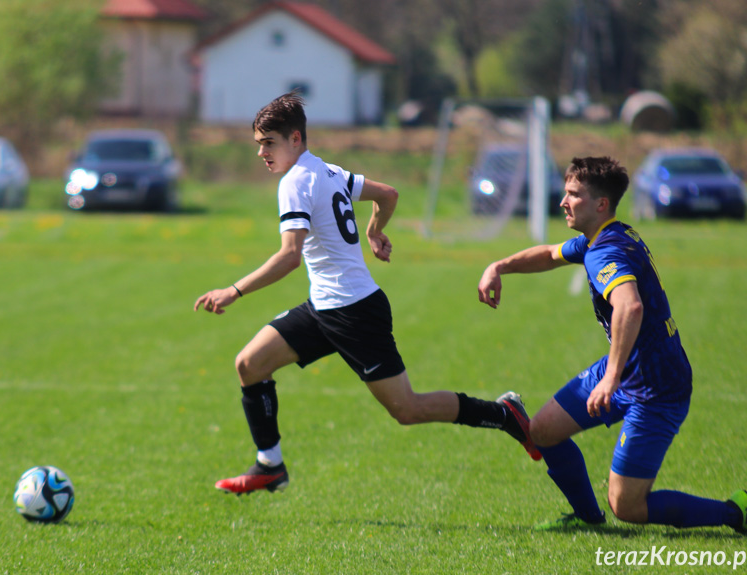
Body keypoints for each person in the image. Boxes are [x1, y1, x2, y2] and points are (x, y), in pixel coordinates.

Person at [194, 91, 540, 495]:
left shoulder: (296, 182)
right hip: (325, 306)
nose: (262, 153)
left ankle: (504, 414)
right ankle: (270, 466)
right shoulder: (328, 171)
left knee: (407, 410)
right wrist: (374, 231)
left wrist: (233, 291)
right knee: (250, 365)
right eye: (259, 144)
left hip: (354, 313)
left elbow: (290, 256)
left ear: (295, 139)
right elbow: (388, 194)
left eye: (269, 142)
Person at [477, 156, 747, 533]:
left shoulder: (605, 252)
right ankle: (587, 518)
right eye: (565, 193)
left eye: (573, 195)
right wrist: (498, 266)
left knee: (627, 506)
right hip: (626, 367)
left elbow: (631, 306)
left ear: (601, 204)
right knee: (543, 430)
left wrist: (609, 379)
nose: (563, 202)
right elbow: (548, 254)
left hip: (657, 386)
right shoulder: (601, 237)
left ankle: (736, 512)